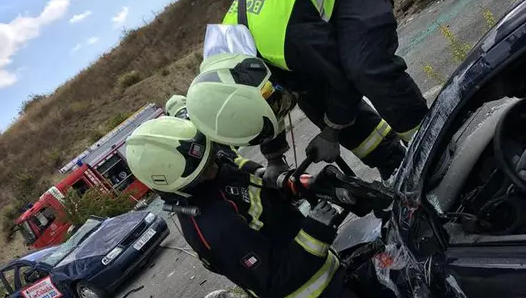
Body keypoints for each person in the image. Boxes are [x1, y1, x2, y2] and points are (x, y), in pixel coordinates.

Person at [186, 0, 428, 183]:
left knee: (365, 66)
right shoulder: (225, 62)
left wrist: (332, 131)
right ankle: (392, 161)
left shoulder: (286, 41)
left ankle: (432, 146)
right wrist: (274, 158)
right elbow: (254, 106)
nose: (281, 109)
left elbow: (343, 79)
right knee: (311, 96)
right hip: (298, 4)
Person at [125, 116, 356, 298]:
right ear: (181, 182)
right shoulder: (214, 229)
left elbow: (253, 186)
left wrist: (292, 185)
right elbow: (273, 281)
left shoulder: (213, 170)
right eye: (204, 167)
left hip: (330, 271)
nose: (214, 164)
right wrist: (315, 232)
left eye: (211, 155)